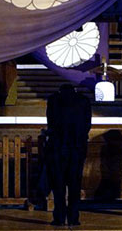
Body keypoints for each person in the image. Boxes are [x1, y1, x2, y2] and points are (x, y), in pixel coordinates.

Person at [46, 84, 92, 226]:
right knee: (74, 184)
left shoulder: (53, 100)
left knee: (58, 184)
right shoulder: (83, 101)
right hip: (77, 148)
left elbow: (51, 123)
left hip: (58, 147)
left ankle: (59, 217)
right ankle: (73, 217)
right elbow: (87, 124)